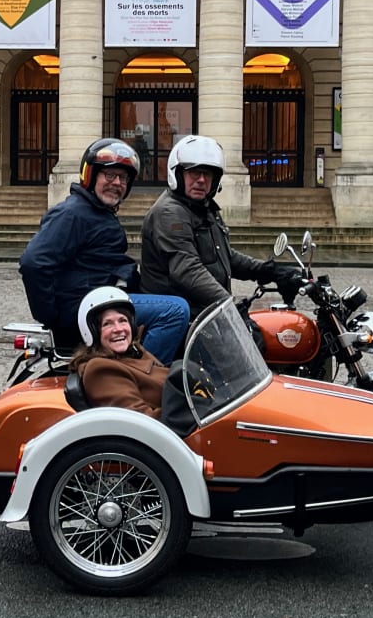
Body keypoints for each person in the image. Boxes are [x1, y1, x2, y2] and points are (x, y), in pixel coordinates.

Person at [18, 138, 189, 364]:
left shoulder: (96, 212)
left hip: (102, 299)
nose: (116, 183)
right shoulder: (73, 213)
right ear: (90, 176)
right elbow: (33, 263)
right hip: (87, 306)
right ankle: (139, 375)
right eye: (109, 175)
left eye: (123, 178)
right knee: (174, 311)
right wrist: (51, 316)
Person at [140, 135, 306, 316]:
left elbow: (224, 256)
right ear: (178, 175)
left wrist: (271, 271)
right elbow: (187, 270)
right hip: (181, 317)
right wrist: (229, 306)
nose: (201, 180)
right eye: (194, 172)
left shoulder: (203, 208)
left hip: (205, 313)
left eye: (208, 174)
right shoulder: (170, 212)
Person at [69, 287, 167, 419]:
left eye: (123, 320)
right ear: (93, 332)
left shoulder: (135, 351)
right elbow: (140, 420)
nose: (118, 329)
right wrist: (187, 408)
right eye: (107, 324)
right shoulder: (101, 369)